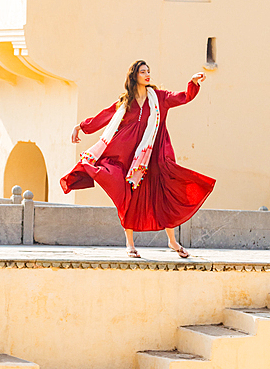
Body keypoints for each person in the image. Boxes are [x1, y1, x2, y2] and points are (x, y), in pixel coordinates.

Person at [61, 60, 215, 258]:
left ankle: (172, 241)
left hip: (155, 153)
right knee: (128, 196)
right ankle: (130, 244)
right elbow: (106, 116)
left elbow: (183, 97)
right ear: (134, 76)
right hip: (127, 155)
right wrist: (81, 126)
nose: (147, 74)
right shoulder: (125, 101)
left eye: (148, 71)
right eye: (143, 72)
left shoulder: (160, 97)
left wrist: (193, 83)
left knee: (163, 194)